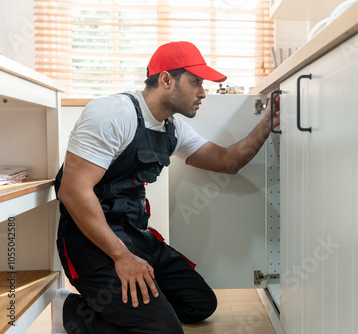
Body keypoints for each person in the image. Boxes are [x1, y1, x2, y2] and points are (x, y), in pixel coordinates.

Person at [51, 41, 280, 334]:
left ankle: (139, 305)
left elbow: (227, 162)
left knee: (199, 305)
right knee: (166, 332)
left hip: (136, 235)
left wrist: (266, 124)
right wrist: (122, 257)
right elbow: (72, 191)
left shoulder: (172, 126)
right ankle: (69, 312)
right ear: (166, 79)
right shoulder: (111, 113)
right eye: (196, 82)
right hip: (91, 242)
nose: (203, 92)